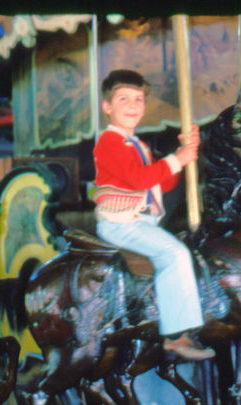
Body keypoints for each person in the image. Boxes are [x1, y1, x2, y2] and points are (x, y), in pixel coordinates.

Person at [92, 69, 214, 361]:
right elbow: (139, 180)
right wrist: (177, 158)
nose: (133, 105)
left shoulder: (139, 145)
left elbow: (162, 182)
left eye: (139, 99)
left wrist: (185, 154)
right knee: (175, 255)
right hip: (120, 223)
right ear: (107, 107)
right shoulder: (109, 142)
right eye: (124, 99)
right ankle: (176, 336)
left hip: (141, 221)